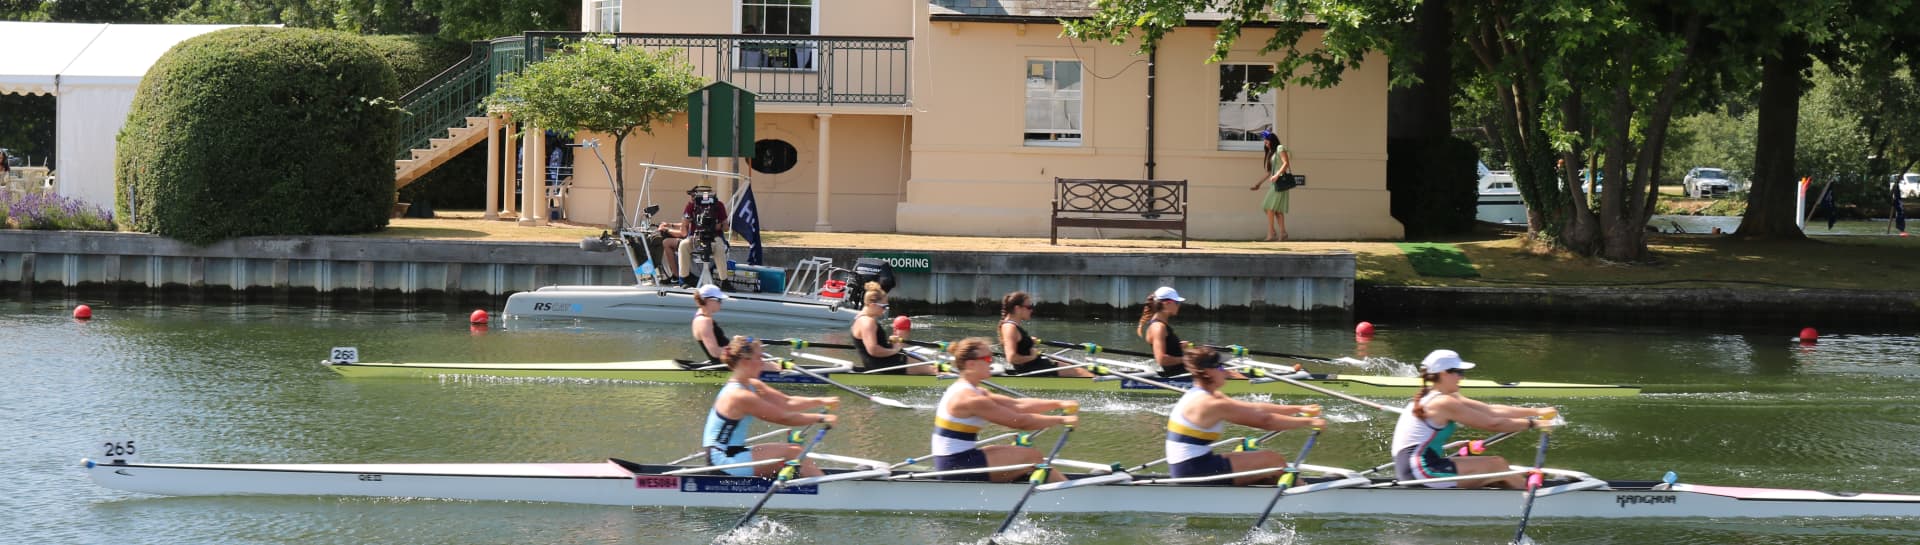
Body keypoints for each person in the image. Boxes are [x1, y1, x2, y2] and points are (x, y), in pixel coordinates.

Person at [1391, 349, 1558, 489]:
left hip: (1416, 467)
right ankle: (1537, 496)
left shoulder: (1440, 397)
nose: (1462, 377)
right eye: (1459, 372)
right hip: (1421, 471)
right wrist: (1535, 423)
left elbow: (1492, 411)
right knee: (1496, 465)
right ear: (1443, 374)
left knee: (1499, 468)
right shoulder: (1443, 402)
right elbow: (1492, 423)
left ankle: (1517, 487)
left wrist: (1538, 411)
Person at [1165, 346, 1326, 485]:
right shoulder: (1210, 403)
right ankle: (1302, 496)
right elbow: (1266, 421)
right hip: (1193, 470)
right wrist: (1309, 422)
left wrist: (1299, 408)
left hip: (1192, 464)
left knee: (1266, 466)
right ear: (1208, 372)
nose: (1226, 371)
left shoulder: (1203, 394)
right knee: (1273, 460)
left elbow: (1256, 407)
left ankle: (1279, 486)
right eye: (1220, 367)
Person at [931, 337, 1080, 482]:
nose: (992, 363)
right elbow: (1019, 421)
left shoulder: (975, 390)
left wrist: (1060, 403)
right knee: (1032, 457)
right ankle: (1073, 499)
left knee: (1022, 454)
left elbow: (1017, 405)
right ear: (971, 364)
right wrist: (1061, 419)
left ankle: (1064, 489)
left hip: (961, 459)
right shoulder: (970, 398)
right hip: (955, 466)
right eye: (988, 359)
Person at [704, 336, 841, 478]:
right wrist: (821, 418)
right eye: (759, 357)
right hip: (722, 462)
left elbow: (787, 402)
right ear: (746, 361)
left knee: (792, 457)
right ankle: (826, 491)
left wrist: (821, 401)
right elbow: (783, 417)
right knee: (794, 452)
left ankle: (813, 487)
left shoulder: (752, 385)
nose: (762, 363)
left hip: (735, 453)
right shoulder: (738, 395)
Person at [1137, 286, 1239, 378]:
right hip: (1177, 372)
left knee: (1213, 357)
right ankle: (1240, 382)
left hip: (1181, 368)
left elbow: (1168, 349)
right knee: (1217, 361)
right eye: (1177, 302)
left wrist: (1178, 346)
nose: (1179, 305)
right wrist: (1187, 358)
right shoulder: (1158, 327)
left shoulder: (1160, 325)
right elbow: (1162, 359)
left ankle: (1226, 374)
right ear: (1167, 303)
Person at [998, 291, 1093, 378]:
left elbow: (1018, 343)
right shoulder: (1009, 328)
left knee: (1077, 368)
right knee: (1081, 373)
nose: (1031, 310)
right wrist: (1032, 356)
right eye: (1029, 307)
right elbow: (1011, 358)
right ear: (1017, 308)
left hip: (1036, 364)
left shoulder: (1010, 326)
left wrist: (1027, 339)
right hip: (1033, 368)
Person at [850, 282, 933, 375]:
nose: (885, 310)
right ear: (873, 305)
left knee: (932, 366)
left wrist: (890, 344)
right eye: (884, 306)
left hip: (879, 363)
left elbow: (874, 346)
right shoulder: (868, 322)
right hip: (884, 365)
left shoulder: (859, 318)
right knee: (934, 371)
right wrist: (894, 350)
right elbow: (873, 350)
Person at [691, 284, 778, 372]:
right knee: (774, 367)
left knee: (766, 360)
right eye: (719, 300)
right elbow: (715, 352)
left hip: (728, 359)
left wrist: (735, 344)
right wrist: (739, 350)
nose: (721, 303)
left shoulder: (700, 315)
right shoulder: (704, 321)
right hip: (727, 363)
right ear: (708, 300)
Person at [658, 187, 729, 287]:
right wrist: (671, 225)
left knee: (720, 246)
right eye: (692, 196)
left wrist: (719, 225)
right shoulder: (692, 206)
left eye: (693, 195)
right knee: (683, 244)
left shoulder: (718, 205)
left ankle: (724, 281)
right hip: (696, 237)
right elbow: (685, 227)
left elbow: (726, 227)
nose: (692, 198)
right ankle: (683, 279)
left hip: (714, 237)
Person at [1247, 131, 1293, 241]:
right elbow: (1269, 173)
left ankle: (1271, 232)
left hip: (1280, 181)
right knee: (1276, 210)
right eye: (1265, 143)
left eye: (1267, 142)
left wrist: (1277, 174)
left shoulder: (1280, 148)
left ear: (1272, 141)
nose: (1266, 144)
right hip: (1275, 183)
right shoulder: (1272, 152)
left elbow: (1286, 163)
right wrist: (1258, 184)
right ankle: (1283, 233)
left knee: (1267, 206)